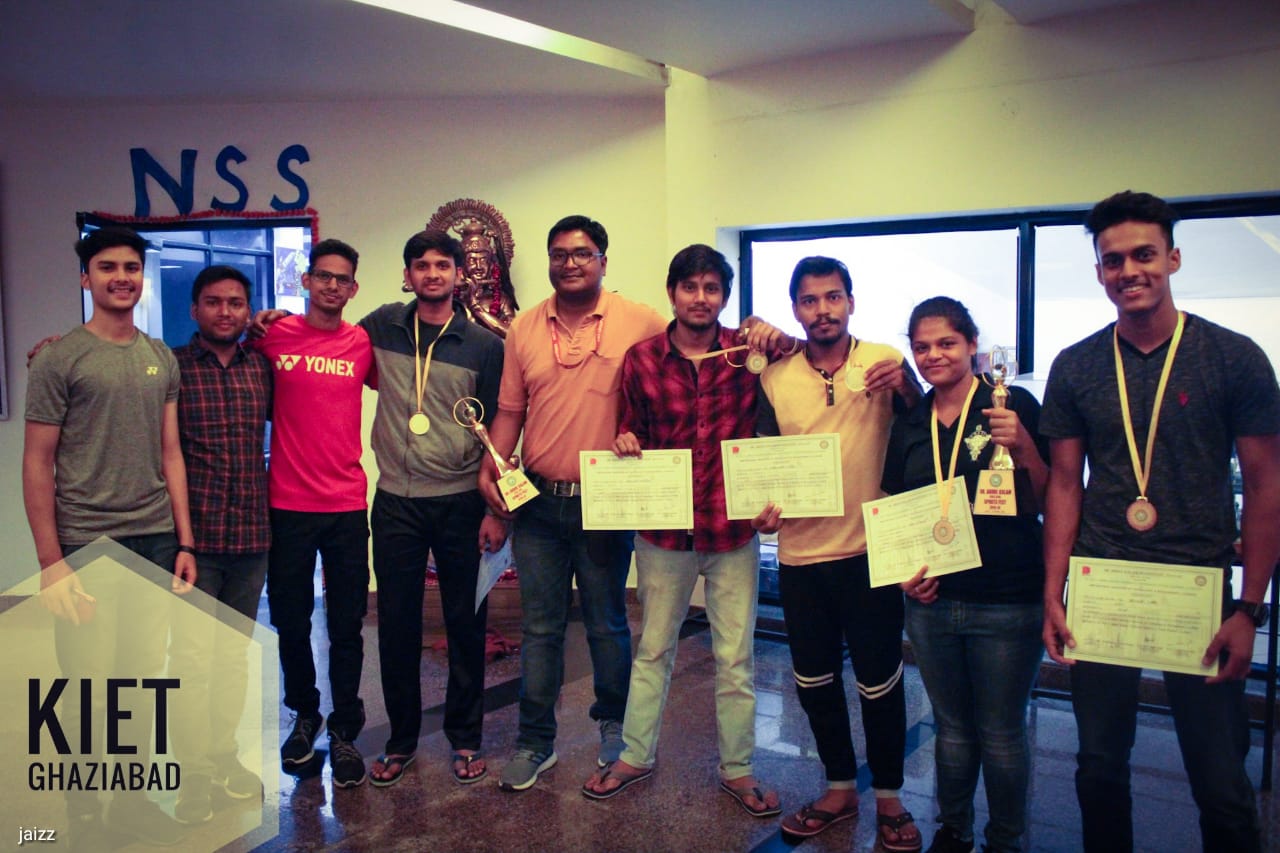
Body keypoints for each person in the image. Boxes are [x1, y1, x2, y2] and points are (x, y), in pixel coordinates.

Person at [1041, 191, 1280, 853]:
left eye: (1144, 254)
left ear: (1172, 258)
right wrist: (1054, 593)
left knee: (1221, 781)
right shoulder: (1076, 365)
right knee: (1098, 767)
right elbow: (1064, 484)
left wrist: (1250, 609)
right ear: (1099, 271)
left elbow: (1267, 487)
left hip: (1198, 588)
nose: (1129, 270)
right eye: (1113, 260)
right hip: (1104, 585)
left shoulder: (1233, 357)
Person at [579, 244, 793, 815]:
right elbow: (630, 428)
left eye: (712, 288)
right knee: (653, 650)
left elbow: (806, 357)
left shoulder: (747, 352)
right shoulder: (642, 358)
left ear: (724, 296)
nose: (701, 298)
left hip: (732, 531)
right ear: (673, 292)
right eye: (690, 287)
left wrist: (774, 331)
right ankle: (635, 755)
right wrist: (626, 441)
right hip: (664, 535)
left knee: (736, 659)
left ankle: (738, 769)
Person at [477, 215, 667, 792]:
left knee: (608, 623)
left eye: (582, 253)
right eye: (559, 254)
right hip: (537, 503)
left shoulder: (640, 322)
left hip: (607, 501)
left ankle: (616, 728)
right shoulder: (525, 328)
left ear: (603, 260)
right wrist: (493, 467)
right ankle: (535, 743)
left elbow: (688, 360)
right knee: (540, 628)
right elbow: (510, 411)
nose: (570, 263)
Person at [23, 226, 197, 847]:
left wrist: (184, 542)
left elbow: (171, 453)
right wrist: (51, 563)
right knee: (89, 686)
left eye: (130, 267)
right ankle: (84, 816)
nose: (121, 277)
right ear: (86, 277)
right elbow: (37, 462)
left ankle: (130, 803)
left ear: (142, 276)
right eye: (107, 267)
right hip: (86, 544)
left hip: (154, 537)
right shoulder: (59, 358)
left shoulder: (160, 356)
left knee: (141, 680)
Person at [755, 256, 923, 850]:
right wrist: (760, 510)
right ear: (795, 308)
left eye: (832, 297)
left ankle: (891, 798)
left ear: (851, 301)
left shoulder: (884, 360)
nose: (822, 310)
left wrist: (906, 384)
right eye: (809, 300)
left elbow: (923, 426)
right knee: (814, 682)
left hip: (872, 553)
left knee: (881, 682)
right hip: (801, 557)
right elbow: (763, 460)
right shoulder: (774, 378)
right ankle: (838, 788)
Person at [882, 297, 1049, 853]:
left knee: (1000, 733)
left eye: (946, 343)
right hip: (932, 602)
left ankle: (1005, 841)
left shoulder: (1012, 404)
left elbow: (1050, 495)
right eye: (922, 347)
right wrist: (904, 573)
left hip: (1007, 599)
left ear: (973, 344)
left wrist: (1023, 445)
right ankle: (953, 831)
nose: (934, 355)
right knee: (950, 728)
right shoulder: (911, 422)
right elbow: (896, 509)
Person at [357, 230, 506, 786]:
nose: (432, 274)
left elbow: (499, 429)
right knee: (396, 624)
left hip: (461, 499)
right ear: (407, 275)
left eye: (443, 265)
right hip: (396, 499)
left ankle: (465, 739)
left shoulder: (483, 345)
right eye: (421, 265)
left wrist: (495, 508)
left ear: (458, 275)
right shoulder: (382, 326)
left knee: (466, 622)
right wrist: (274, 323)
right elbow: (327, 342)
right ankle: (400, 741)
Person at [255, 239, 375, 789]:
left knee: (347, 624)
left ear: (353, 289)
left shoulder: (362, 343)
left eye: (341, 279)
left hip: (346, 504)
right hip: (287, 505)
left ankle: (345, 727)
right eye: (322, 276)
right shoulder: (273, 335)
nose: (331, 285)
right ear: (305, 281)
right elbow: (217, 348)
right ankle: (304, 715)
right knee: (292, 619)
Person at [167, 265, 273, 822]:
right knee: (191, 660)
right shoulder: (172, 368)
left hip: (252, 535)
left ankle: (223, 757)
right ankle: (192, 777)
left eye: (235, 303)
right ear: (195, 309)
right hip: (195, 541)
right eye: (213, 302)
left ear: (247, 310)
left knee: (232, 657)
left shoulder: (263, 365)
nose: (225, 311)